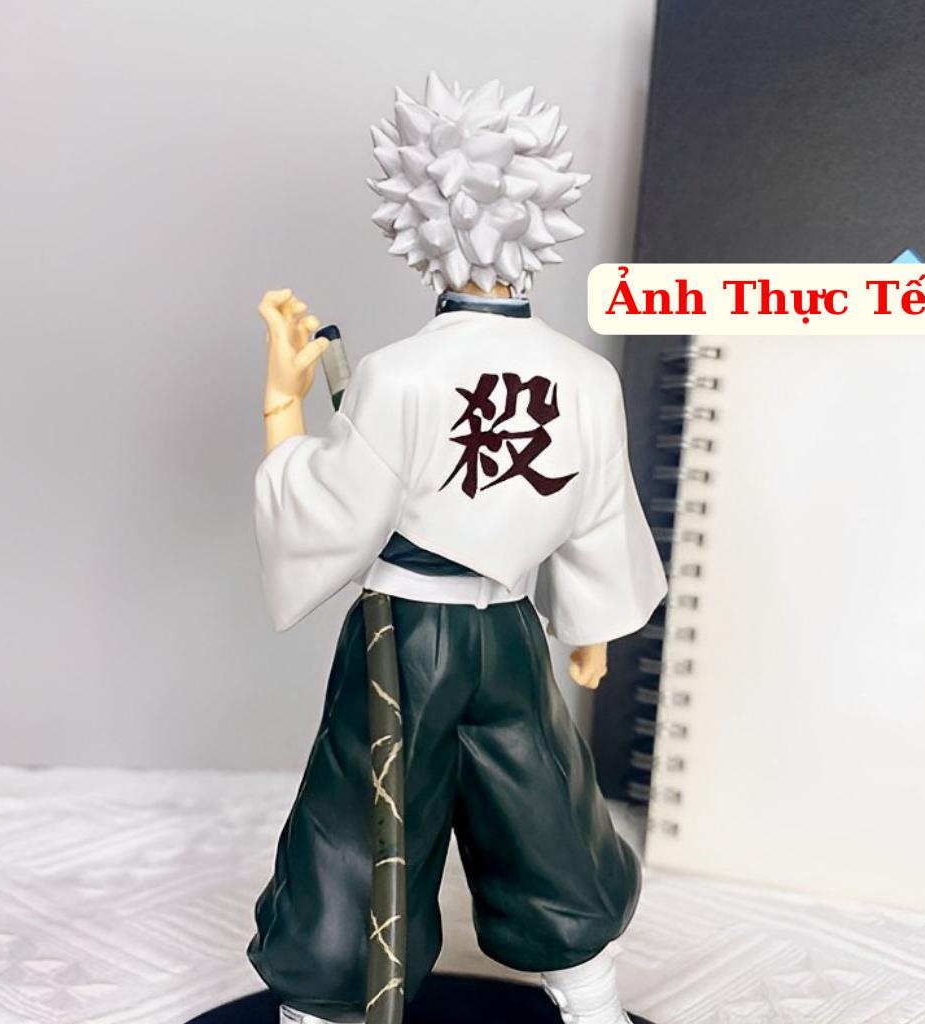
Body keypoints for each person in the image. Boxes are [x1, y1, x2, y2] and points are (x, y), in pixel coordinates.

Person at [249, 73, 667, 1024]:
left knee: (363, 821)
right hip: (510, 635)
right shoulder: (586, 376)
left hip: (406, 635)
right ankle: (590, 996)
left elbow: (333, 512)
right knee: (545, 807)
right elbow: (601, 516)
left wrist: (281, 405)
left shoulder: (396, 376)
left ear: (421, 219)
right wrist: (591, 631)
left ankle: (328, 996)